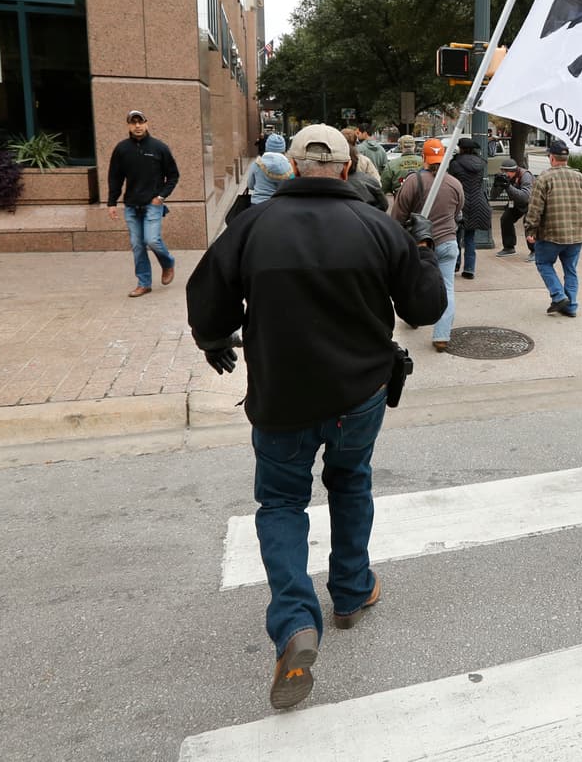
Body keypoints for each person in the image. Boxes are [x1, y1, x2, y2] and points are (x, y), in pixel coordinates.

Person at [185, 123, 446, 711]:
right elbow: (425, 309)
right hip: (359, 395)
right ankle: (351, 591)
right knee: (351, 482)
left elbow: (207, 299)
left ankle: (297, 621)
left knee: (281, 504)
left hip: (282, 399)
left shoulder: (251, 226)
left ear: (293, 167)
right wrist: (424, 249)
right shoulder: (380, 228)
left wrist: (211, 338)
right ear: (349, 168)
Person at [390, 138, 464, 352]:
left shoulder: (413, 182)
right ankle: (441, 337)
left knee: (413, 285)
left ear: (423, 157)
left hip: (419, 246)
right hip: (448, 242)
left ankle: (413, 318)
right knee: (448, 288)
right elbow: (458, 210)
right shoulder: (454, 183)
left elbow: (398, 215)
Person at [106, 109, 180, 298]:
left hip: (153, 204)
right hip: (131, 205)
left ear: (146, 123)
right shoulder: (122, 149)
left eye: (140, 122)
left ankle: (168, 262)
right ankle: (144, 283)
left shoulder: (159, 148)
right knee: (137, 245)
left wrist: (161, 196)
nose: (137, 126)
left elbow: (173, 175)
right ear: (128, 125)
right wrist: (111, 202)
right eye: (133, 122)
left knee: (152, 240)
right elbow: (115, 177)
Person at [524, 138, 582, 318]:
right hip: (577, 235)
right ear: (566, 158)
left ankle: (558, 295)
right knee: (570, 269)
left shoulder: (544, 179)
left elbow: (535, 209)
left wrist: (531, 230)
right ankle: (570, 306)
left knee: (543, 262)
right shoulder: (581, 177)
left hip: (551, 234)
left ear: (551, 158)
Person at [447, 137, 492, 279]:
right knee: (470, 237)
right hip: (478, 202)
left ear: (461, 149)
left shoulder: (455, 164)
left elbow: (452, 183)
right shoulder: (480, 164)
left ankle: (455, 264)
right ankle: (469, 269)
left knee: (456, 235)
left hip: (461, 202)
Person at [495, 158, 534, 260]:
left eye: (506, 172)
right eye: (502, 171)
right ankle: (509, 247)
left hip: (532, 204)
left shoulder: (525, 176)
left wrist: (508, 186)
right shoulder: (506, 177)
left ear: (513, 171)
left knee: (529, 223)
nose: (504, 174)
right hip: (516, 203)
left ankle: (535, 251)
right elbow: (494, 196)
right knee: (506, 219)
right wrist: (497, 185)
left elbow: (525, 197)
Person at [246, 132, 294, 204]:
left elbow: (250, 185)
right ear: (283, 149)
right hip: (280, 205)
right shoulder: (289, 166)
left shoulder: (257, 164)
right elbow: (291, 186)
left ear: (267, 146)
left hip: (258, 205)